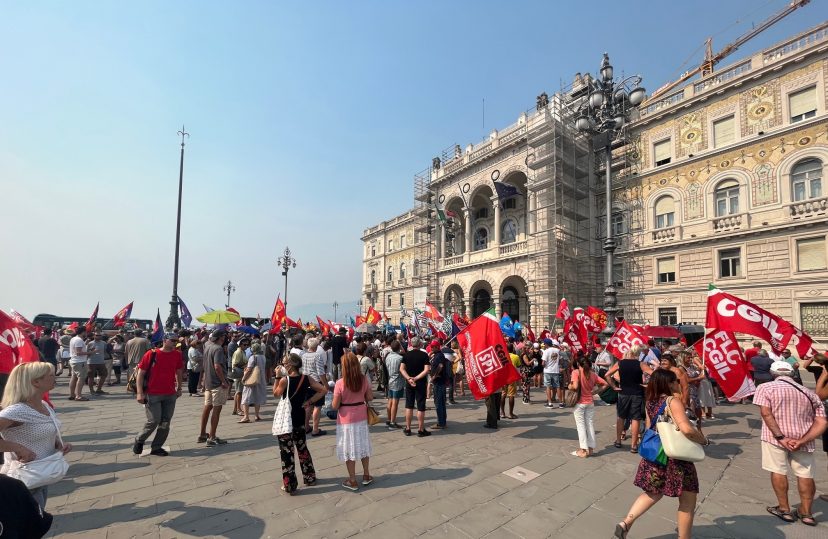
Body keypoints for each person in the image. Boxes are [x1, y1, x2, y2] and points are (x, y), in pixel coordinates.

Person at [614, 369, 708, 539]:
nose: (678, 384)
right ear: (670, 383)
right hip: (676, 457)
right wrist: (703, 440)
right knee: (688, 500)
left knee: (652, 492)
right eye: (676, 381)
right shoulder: (673, 401)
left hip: (656, 455)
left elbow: (651, 426)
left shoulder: (651, 400)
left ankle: (626, 522)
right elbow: (686, 429)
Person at [753, 360, 827, 526]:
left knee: (777, 470)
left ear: (773, 374)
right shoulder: (810, 393)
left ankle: (784, 509)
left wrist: (781, 437)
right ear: (792, 374)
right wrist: (802, 440)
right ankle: (807, 513)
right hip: (803, 439)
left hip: (775, 438)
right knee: (805, 474)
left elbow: (766, 413)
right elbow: (822, 422)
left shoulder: (765, 388)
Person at [0, 362, 72, 509]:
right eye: (51, 375)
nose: (55, 377)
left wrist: (57, 442)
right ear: (36, 382)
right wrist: (17, 448)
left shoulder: (43, 405)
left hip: (42, 474)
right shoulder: (17, 410)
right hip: (23, 479)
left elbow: (40, 430)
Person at [273, 353, 326, 494]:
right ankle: (309, 477)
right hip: (299, 418)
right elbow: (323, 390)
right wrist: (309, 402)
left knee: (287, 453)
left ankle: (289, 484)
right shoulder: (305, 378)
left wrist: (277, 376)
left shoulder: (285, 380)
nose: (283, 366)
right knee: (302, 448)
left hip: (286, 420)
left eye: (284, 364)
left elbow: (276, 393)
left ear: (291, 365)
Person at [132, 334, 184, 457]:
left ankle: (156, 447)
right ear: (164, 340)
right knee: (154, 420)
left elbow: (179, 371)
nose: (175, 343)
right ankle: (140, 439)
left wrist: (180, 387)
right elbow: (141, 374)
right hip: (152, 393)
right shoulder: (152, 353)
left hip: (170, 393)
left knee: (165, 422)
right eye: (172, 341)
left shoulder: (177, 354)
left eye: (176, 341)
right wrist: (139, 393)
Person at [332, 352, 374, 491]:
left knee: (349, 449)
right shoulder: (363, 380)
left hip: (345, 418)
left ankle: (352, 480)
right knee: (363, 446)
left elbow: (335, 406)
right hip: (361, 416)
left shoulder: (340, 383)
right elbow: (370, 397)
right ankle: (366, 475)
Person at [606, 349, 654, 453]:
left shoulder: (620, 363)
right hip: (637, 393)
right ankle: (634, 445)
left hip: (623, 393)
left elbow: (607, 375)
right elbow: (654, 374)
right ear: (636, 354)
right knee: (635, 419)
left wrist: (614, 386)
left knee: (621, 417)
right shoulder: (641, 364)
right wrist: (647, 385)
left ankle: (618, 441)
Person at [569, 356, 608, 458]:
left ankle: (583, 450)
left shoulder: (576, 372)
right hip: (590, 402)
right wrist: (595, 392)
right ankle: (590, 449)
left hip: (580, 403)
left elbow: (576, 386)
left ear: (579, 364)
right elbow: (605, 384)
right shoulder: (593, 374)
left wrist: (570, 386)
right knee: (590, 425)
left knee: (581, 426)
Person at [198, 330, 231, 447]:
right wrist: (223, 381)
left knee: (207, 408)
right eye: (224, 336)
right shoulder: (218, 349)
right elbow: (217, 366)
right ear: (220, 337)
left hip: (208, 382)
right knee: (217, 410)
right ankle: (212, 437)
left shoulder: (207, 346)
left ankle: (202, 434)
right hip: (217, 383)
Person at [399, 337, 430, 437]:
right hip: (420, 382)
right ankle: (421, 429)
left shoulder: (406, 355)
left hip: (409, 383)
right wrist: (415, 378)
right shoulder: (424, 355)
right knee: (421, 406)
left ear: (411, 344)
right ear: (420, 344)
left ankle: (408, 428)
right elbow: (426, 370)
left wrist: (409, 378)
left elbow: (402, 369)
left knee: (409, 405)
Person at [300, 337, 328, 436]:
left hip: (306, 382)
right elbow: (321, 372)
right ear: (316, 346)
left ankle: (306, 426)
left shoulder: (303, 355)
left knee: (308, 404)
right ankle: (315, 429)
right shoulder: (318, 356)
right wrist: (325, 384)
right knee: (317, 406)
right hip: (316, 382)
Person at [239, 342, 268, 423]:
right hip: (260, 379)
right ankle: (256, 415)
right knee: (257, 397)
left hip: (252, 379)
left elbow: (249, 369)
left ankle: (246, 416)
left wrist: (244, 378)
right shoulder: (263, 357)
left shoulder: (253, 357)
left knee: (246, 397)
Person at [428, 339, 449, 430]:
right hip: (440, 382)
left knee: (439, 403)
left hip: (439, 382)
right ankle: (442, 421)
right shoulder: (437, 355)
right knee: (441, 403)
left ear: (437, 347)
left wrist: (434, 376)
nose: (431, 348)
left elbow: (440, 366)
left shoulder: (439, 355)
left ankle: (441, 423)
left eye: (433, 347)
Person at [68, 327, 92, 401]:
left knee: (74, 377)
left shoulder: (73, 338)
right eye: (86, 332)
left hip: (74, 361)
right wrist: (90, 352)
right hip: (79, 361)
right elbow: (78, 352)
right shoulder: (79, 340)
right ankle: (78, 395)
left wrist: (85, 344)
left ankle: (72, 394)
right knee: (81, 378)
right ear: (83, 332)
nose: (86, 333)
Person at [384, 340, 405, 429]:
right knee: (395, 403)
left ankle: (389, 420)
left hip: (390, 379)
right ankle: (392, 422)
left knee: (390, 401)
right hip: (397, 381)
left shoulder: (387, 356)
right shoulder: (400, 358)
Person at [500, 343, 522, 419]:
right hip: (512, 377)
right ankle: (510, 413)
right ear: (512, 349)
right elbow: (519, 366)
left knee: (503, 394)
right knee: (511, 395)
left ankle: (502, 413)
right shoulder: (516, 357)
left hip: (503, 377)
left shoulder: (502, 356)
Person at [230, 337, 250, 416]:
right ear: (240, 345)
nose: (246, 346)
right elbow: (235, 364)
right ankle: (238, 409)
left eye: (247, 345)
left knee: (237, 392)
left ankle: (235, 409)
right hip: (238, 374)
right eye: (244, 345)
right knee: (239, 392)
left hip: (240, 373)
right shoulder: (238, 352)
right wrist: (245, 365)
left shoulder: (242, 352)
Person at [542, 339, 563, 408]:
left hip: (548, 371)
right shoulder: (557, 350)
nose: (544, 345)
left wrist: (544, 366)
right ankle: (561, 403)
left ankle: (550, 403)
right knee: (557, 386)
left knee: (548, 387)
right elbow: (560, 361)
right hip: (555, 370)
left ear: (547, 344)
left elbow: (543, 363)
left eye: (544, 344)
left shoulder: (546, 351)